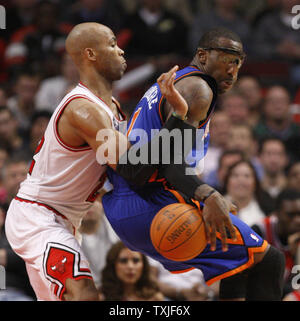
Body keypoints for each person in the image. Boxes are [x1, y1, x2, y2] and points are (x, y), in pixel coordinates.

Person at [4, 22, 215, 301]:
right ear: (90, 54)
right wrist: (178, 117)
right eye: (113, 44)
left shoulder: (112, 108)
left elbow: (146, 163)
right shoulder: (83, 109)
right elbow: (134, 169)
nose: (121, 50)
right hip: (39, 215)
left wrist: (185, 129)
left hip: (66, 219)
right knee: (85, 294)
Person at [102, 27, 285, 301]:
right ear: (202, 55)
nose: (233, 71)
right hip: (153, 204)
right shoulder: (199, 89)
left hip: (123, 206)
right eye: (227, 60)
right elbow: (169, 164)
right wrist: (208, 194)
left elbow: (159, 156)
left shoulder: (174, 84)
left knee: (237, 264)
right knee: (271, 261)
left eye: (238, 63)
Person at [251, 189, 300, 298]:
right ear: (276, 214)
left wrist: (295, 256)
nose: (297, 220)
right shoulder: (258, 231)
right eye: (291, 215)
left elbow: (298, 285)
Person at [99, 241, 164, 301]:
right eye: (123, 261)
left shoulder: (155, 298)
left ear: (144, 265)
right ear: (113, 265)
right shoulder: (101, 297)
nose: (130, 266)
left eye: (136, 260)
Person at [223, 160, 266, 227]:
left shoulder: (264, 212)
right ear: (227, 181)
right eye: (235, 175)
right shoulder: (215, 208)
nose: (241, 180)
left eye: (247, 176)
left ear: (255, 183)